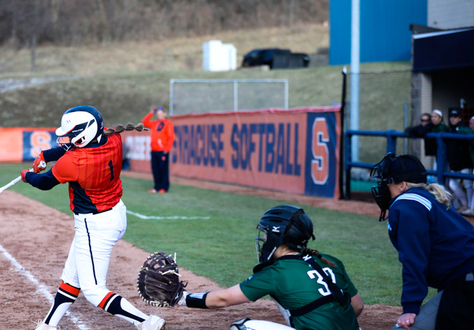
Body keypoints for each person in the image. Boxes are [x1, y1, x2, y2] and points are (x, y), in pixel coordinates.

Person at [21, 106, 165, 330]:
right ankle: (49, 325)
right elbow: (72, 147)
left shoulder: (74, 162)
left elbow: (44, 183)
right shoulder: (113, 138)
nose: (66, 138)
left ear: (83, 134)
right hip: (115, 213)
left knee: (93, 290)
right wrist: (45, 156)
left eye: (71, 133)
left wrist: (28, 176)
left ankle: (147, 322)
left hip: (94, 225)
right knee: (72, 277)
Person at [178, 205, 364, 330]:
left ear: (278, 237)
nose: (264, 238)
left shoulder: (276, 272)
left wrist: (181, 298)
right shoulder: (329, 260)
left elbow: (223, 299)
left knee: (242, 328)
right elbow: (357, 306)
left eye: (266, 233)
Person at [370, 153, 474, 330]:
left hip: (467, 285)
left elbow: (414, 259)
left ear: (402, 185)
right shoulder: (431, 197)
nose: (384, 187)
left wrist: (410, 307)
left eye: (388, 182)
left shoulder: (406, 205)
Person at [141, 106, 175, 193]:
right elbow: (144, 122)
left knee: (163, 169)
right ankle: (156, 187)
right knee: (155, 169)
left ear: (164, 114)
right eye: (158, 114)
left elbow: (170, 137)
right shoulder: (155, 123)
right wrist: (152, 112)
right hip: (154, 150)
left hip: (162, 151)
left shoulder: (168, 123)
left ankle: (164, 187)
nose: (159, 115)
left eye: (160, 114)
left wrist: (166, 149)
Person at [446, 108, 473, 213]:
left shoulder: (463, 128)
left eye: (455, 117)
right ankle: (464, 204)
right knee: (452, 184)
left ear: (460, 118)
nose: (453, 119)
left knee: (468, 184)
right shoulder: (450, 129)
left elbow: (469, 132)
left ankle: (470, 206)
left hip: (465, 162)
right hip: (455, 163)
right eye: (451, 117)